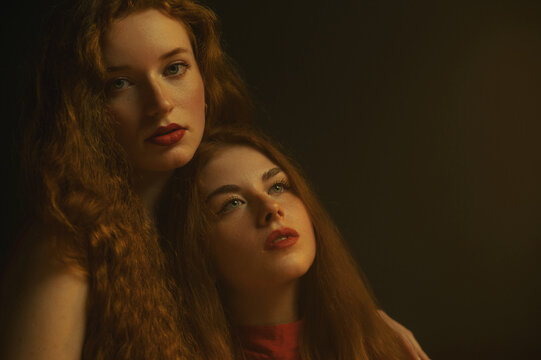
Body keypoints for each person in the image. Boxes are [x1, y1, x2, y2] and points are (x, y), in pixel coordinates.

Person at [1, 0, 428, 359]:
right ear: (84, 109)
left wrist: (359, 323)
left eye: (174, 69)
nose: (160, 103)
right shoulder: (67, 249)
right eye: (121, 83)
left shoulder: (192, 215)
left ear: (203, 73)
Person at [161, 126, 430, 359]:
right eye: (232, 203)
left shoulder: (378, 346)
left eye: (277, 186)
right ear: (198, 249)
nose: (271, 207)